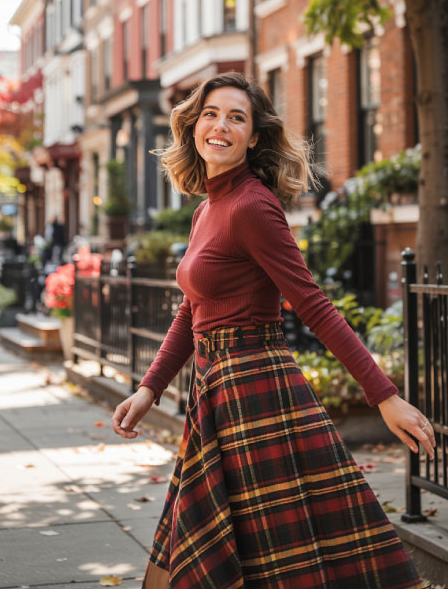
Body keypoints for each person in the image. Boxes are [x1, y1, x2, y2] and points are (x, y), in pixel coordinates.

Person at [112, 72, 432, 589]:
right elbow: (191, 311)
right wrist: (149, 388)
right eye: (211, 114)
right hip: (216, 394)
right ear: (194, 124)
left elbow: (313, 304)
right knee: (206, 551)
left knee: (271, 557)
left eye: (236, 117)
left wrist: (384, 395)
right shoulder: (206, 210)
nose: (221, 126)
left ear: (254, 136)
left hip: (257, 394)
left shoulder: (252, 205)